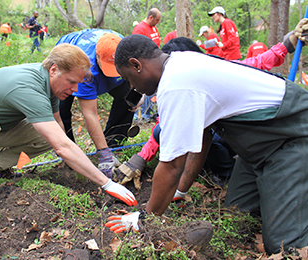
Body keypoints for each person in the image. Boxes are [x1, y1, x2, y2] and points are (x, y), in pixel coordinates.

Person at [105, 19, 308, 254]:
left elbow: (171, 166)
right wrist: (180, 191)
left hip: (291, 134)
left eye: (129, 79)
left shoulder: (175, 83)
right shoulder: (180, 61)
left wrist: (144, 218)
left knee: (284, 244)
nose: (135, 88)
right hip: (257, 150)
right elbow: (202, 137)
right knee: (237, 211)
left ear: (136, 65)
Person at [0, 43, 137, 207]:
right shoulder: (28, 86)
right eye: (71, 82)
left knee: (48, 136)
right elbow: (62, 146)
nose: (75, 89)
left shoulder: (49, 84)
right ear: (54, 69)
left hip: (0, 128)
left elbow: (58, 129)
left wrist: (72, 161)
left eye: (78, 83)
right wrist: (106, 183)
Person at [113, 35, 290, 190]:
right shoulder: (178, 73)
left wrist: (286, 45)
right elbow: (166, 126)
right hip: (240, 134)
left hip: (262, 129)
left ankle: (226, 169)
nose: (132, 87)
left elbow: (255, 63)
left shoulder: (186, 79)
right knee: (164, 132)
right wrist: (141, 158)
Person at [55, 29, 135, 178]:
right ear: (97, 57)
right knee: (62, 108)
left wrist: (137, 91)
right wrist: (102, 153)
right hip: (68, 60)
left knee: (127, 97)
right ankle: (70, 153)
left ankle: (114, 143)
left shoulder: (126, 48)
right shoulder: (85, 68)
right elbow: (90, 114)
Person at [132, 8, 162, 122]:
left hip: (154, 62)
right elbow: (136, 49)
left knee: (153, 88)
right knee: (146, 88)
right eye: (157, 20)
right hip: (145, 64)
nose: (158, 22)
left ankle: (149, 112)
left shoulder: (154, 28)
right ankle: (142, 115)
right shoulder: (140, 29)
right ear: (151, 17)